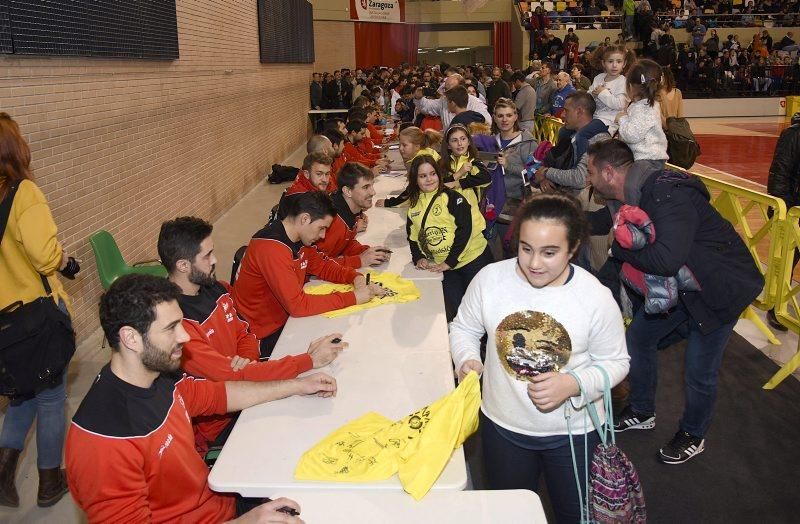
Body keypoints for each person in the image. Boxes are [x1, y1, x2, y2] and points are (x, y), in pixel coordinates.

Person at [66, 274, 331, 522]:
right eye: (171, 328)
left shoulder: (158, 376)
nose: (184, 337)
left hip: (220, 503)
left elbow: (219, 395)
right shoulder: (103, 442)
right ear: (131, 338)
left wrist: (296, 385)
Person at [449, 193, 629, 523]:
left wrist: (573, 383)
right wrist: (467, 360)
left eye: (550, 252)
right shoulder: (490, 280)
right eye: (526, 248)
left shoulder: (595, 298)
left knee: (575, 516)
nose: (534, 263)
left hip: (575, 435)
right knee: (508, 515)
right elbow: (464, 328)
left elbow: (617, 362)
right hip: (502, 427)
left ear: (573, 248)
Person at [585, 140, 763, 464]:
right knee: (638, 339)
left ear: (609, 173)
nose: (588, 179)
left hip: (719, 289)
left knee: (699, 370)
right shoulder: (634, 196)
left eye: (591, 172)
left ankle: (694, 434)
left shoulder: (667, 194)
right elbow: (612, 233)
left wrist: (617, 250)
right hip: (683, 287)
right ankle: (641, 410)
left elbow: (665, 260)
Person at [158, 216, 346, 452]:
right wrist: (308, 360)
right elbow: (231, 379)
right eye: (207, 256)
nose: (215, 260)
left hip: (249, 383)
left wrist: (247, 360)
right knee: (308, 435)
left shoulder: (214, 286)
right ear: (183, 265)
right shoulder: (177, 324)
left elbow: (244, 331)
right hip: (223, 422)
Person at [0, 112, 74, 508]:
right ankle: (49, 481)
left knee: (20, 398)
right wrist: (64, 260)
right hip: (34, 319)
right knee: (49, 397)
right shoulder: (23, 193)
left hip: (3, 327)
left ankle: (2, 474)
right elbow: (44, 255)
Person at [233, 191, 386, 357]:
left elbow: (324, 266)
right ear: (304, 219)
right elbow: (298, 306)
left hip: (285, 322)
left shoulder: (299, 238)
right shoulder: (272, 249)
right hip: (261, 337)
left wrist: (355, 277)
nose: (322, 236)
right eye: (321, 228)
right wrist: (353, 297)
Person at [405, 156, 491, 320]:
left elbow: (465, 230)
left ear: (439, 174)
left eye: (432, 174)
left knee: (482, 309)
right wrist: (418, 257)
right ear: (415, 180)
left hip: (473, 260)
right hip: (445, 268)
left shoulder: (452, 198)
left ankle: (486, 343)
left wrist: (450, 261)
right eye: (423, 176)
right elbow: (413, 236)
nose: (429, 179)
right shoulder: (414, 205)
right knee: (459, 313)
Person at [317, 162, 391, 269]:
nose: (373, 192)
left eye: (372, 185)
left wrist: (366, 251)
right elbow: (317, 263)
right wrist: (359, 260)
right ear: (347, 191)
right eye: (365, 187)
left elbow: (343, 245)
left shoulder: (350, 210)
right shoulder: (331, 219)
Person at [766, 112, 800, 331]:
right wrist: (782, 211)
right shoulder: (793, 135)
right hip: (793, 211)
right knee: (787, 261)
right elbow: (779, 174)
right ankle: (777, 308)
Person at [616, 59, 669, 165]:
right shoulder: (645, 105)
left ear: (630, 86)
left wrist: (622, 119)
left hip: (646, 160)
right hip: (648, 159)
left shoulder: (644, 108)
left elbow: (632, 135)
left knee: (632, 182)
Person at [375, 126, 442, 208]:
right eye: (400, 144)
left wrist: (389, 203)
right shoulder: (424, 152)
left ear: (417, 146)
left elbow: (412, 189)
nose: (400, 148)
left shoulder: (421, 161)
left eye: (404, 145)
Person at [441, 124, 492, 215]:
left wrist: (458, 183)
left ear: (469, 142)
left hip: (471, 216)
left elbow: (487, 178)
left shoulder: (474, 163)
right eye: (454, 140)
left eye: (463, 139)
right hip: (447, 214)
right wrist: (458, 174)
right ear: (448, 145)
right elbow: (440, 185)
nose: (459, 143)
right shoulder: (442, 164)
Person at [413, 73, 491, 129]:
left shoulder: (475, 103)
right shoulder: (444, 101)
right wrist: (418, 97)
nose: (445, 92)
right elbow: (426, 107)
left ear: (461, 88)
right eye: (445, 89)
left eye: (448, 89)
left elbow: (487, 124)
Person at [589, 45, 630, 134]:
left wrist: (602, 92)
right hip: (595, 117)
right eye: (610, 61)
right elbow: (589, 97)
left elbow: (620, 104)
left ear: (624, 64)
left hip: (611, 121)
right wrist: (592, 94)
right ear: (603, 63)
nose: (614, 65)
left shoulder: (623, 81)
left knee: (582, 135)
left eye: (619, 62)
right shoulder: (598, 78)